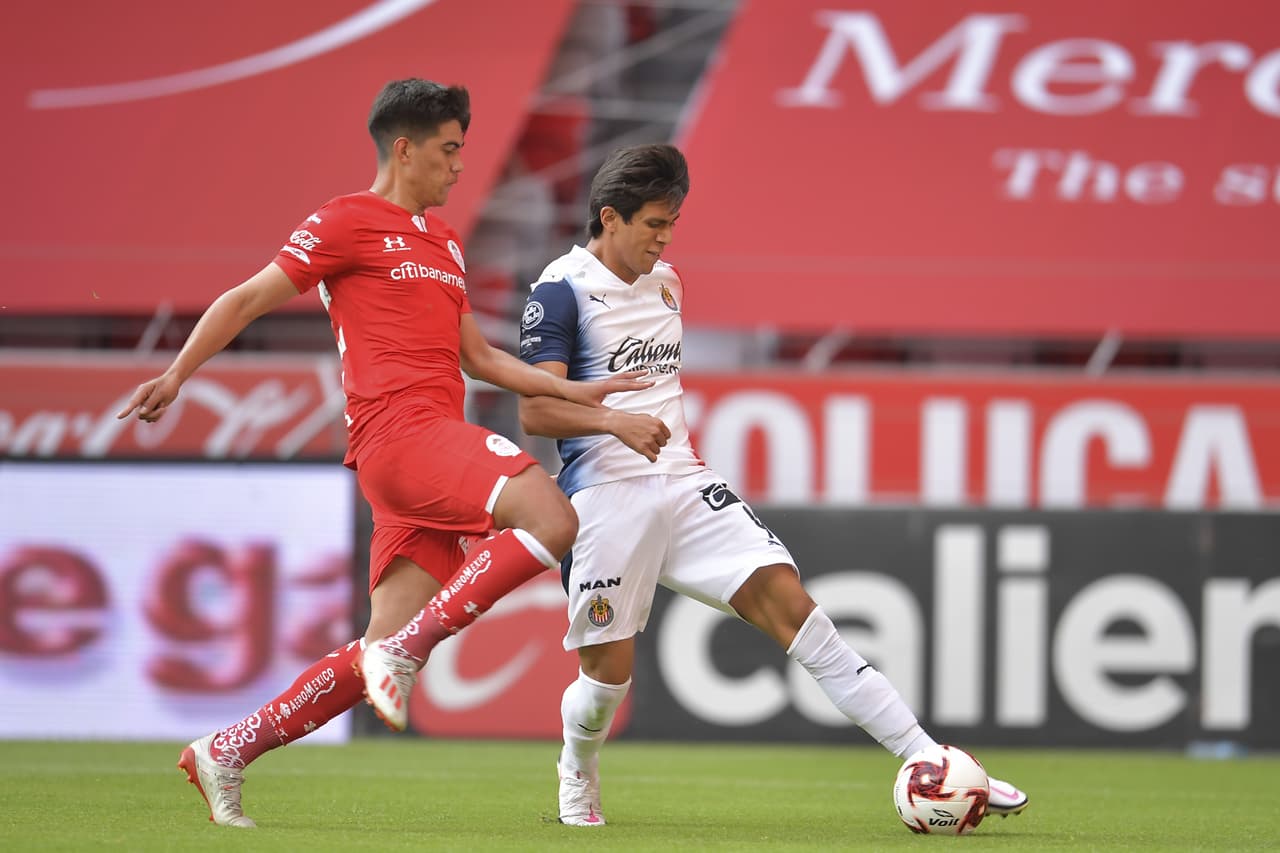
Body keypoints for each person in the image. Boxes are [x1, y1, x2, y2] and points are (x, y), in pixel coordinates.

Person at [116, 78, 650, 829]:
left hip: (425, 451)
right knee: (550, 516)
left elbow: (483, 358)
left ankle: (227, 749)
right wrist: (177, 373)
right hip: (399, 437)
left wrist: (583, 394)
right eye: (450, 149)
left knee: (370, 652)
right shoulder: (346, 220)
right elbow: (245, 298)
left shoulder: (444, 241)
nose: (461, 166)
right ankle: (404, 651)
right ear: (405, 148)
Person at [514, 144, 1030, 827]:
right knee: (607, 681)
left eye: (673, 223)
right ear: (610, 217)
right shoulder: (560, 290)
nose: (665, 238)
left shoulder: (668, 282)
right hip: (606, 495)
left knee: (800, 611)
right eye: (654, 224)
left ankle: (931, 761)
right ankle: (576, 770)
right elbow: (534, 409)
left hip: (685, 485)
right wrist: (611, 421)